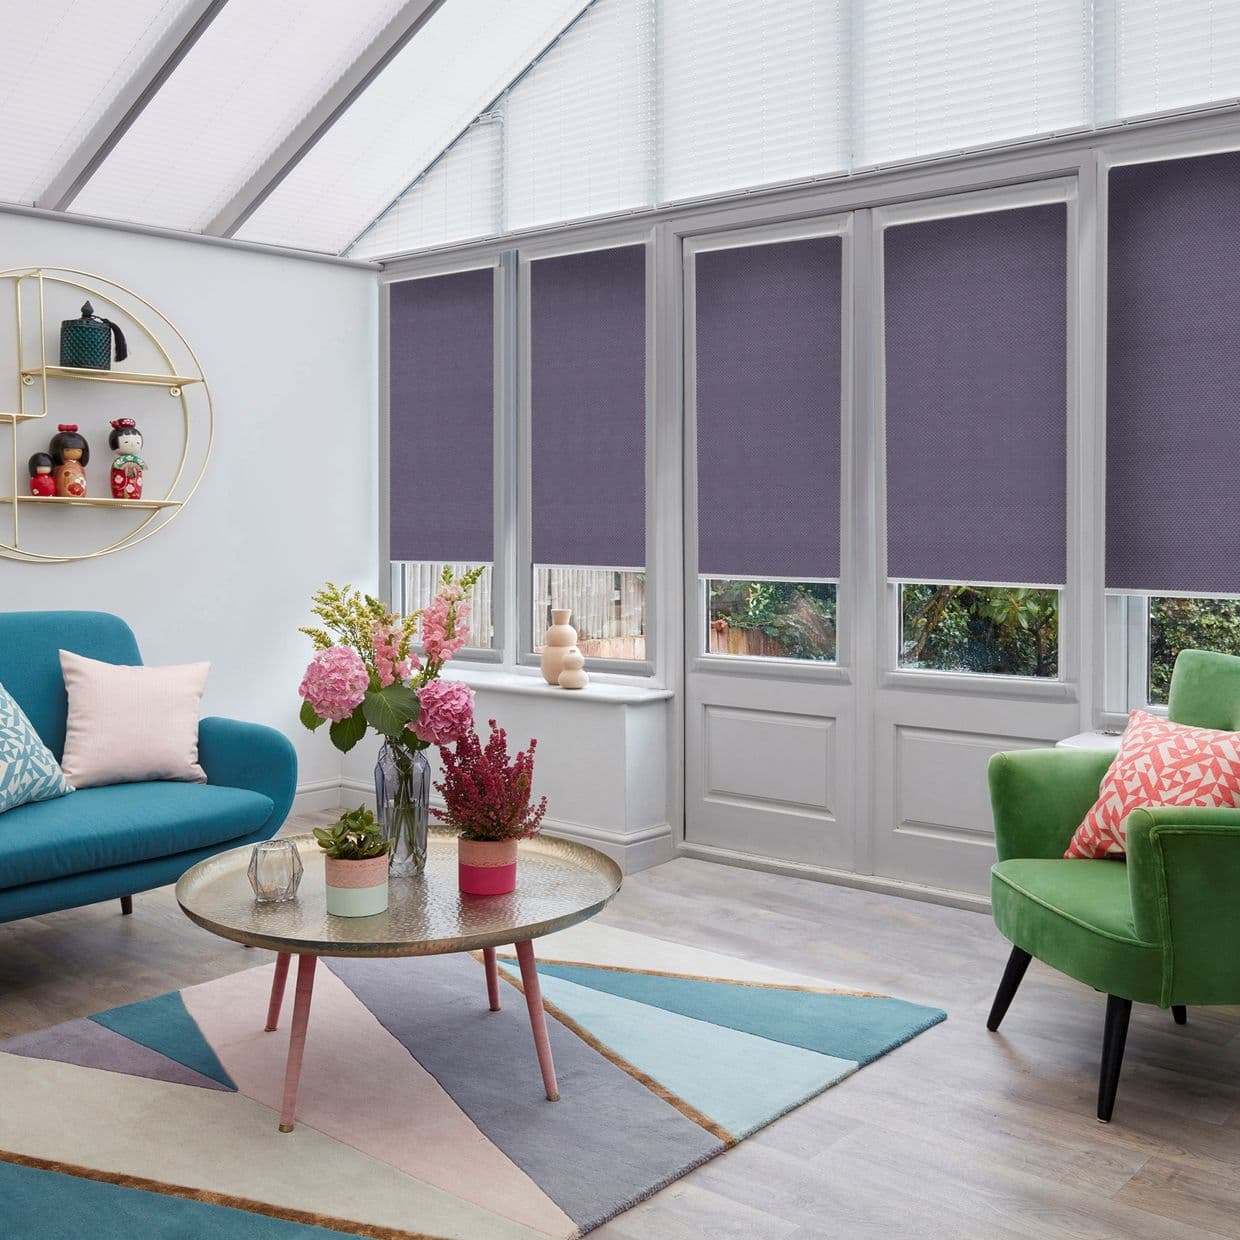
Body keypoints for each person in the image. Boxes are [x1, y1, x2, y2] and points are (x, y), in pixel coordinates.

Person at [108, 418, 146, 500]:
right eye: (126, 442)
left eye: (137, 442)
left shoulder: (136, 461)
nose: (132, 444)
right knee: (119, 481)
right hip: (122, 486)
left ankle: (135, 495)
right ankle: (121, 495)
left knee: (136, 482)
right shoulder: (118, 462)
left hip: (134, 485)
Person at [49, 424, 89, 498]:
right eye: (67, 450)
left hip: (80, 491)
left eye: (78, 450)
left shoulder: (78, 465)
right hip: (63, 491)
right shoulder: (61, 465)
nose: (74, 452)